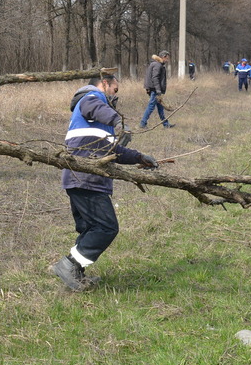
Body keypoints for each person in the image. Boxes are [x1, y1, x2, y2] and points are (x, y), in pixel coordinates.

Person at [51, 75, 157, 291]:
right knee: (106, 227)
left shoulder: (98, 119)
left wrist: (139, 157)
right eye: (114, 89)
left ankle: (76, 274)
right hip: (86, 178)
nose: (115, 95)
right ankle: (69, 265)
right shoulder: (90, 97)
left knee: (91, 228)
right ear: (104, 83)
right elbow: (96, 106)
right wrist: (118, 121)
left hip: (83, 178)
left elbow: (113, 152)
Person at [139, 50, 173, 128]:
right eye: (167, 58)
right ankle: (142, 123)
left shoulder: (157, 64)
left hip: (154, 89)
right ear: (163, 57)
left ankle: (166, 124)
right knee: (151, 106)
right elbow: (155, 78)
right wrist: (158, 90)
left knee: (160, 107)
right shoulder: (158, 65)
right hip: (154, 89)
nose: (167, 60)